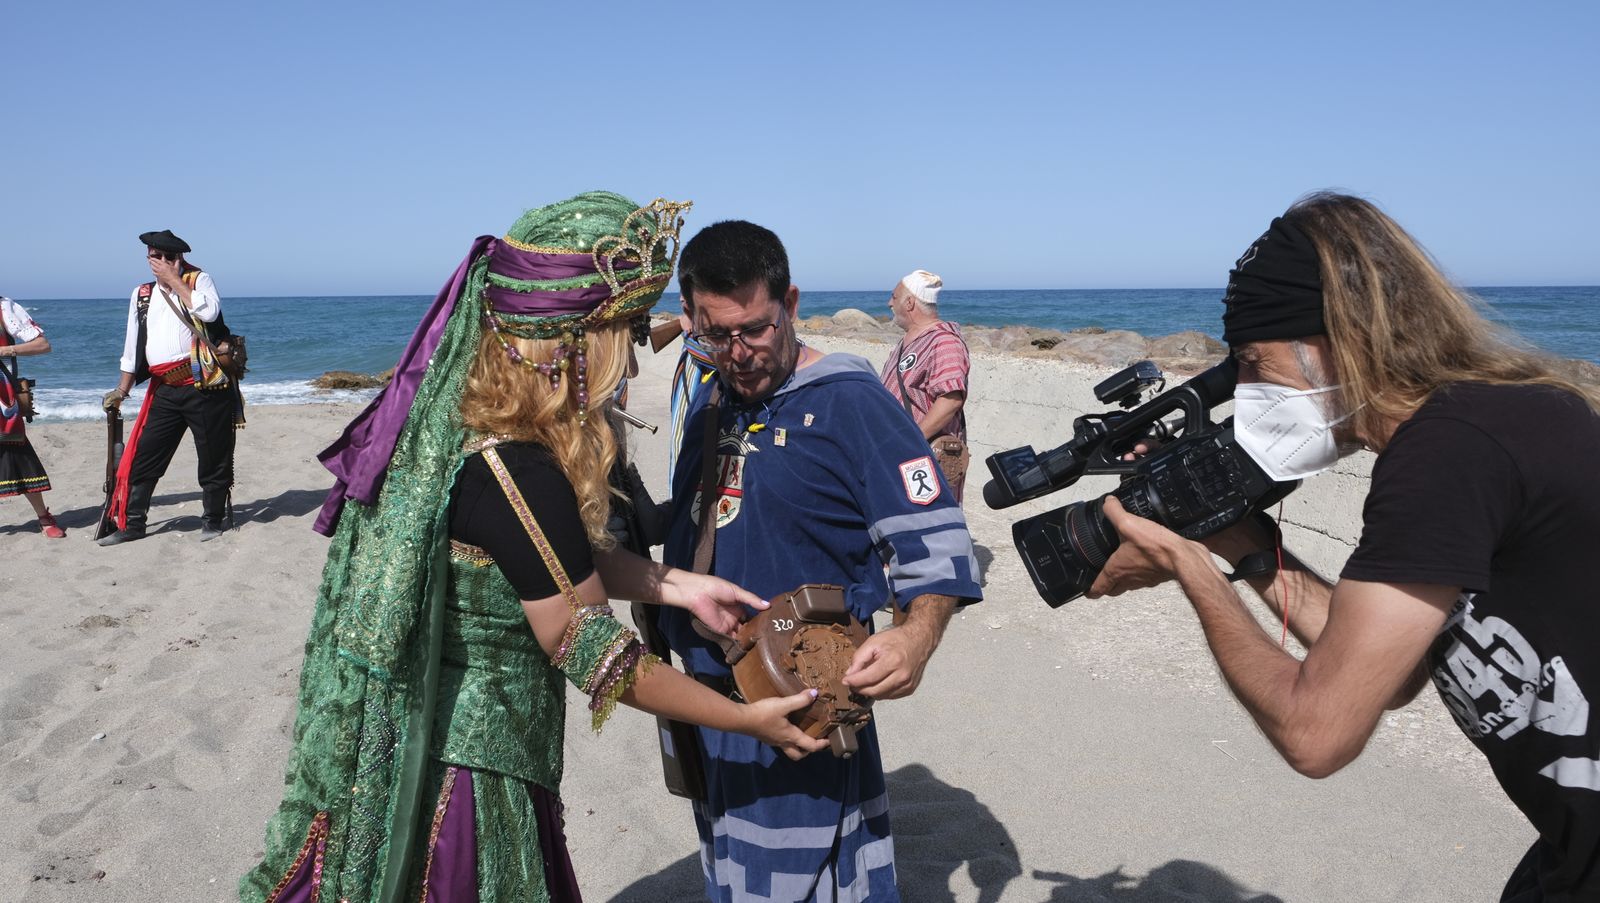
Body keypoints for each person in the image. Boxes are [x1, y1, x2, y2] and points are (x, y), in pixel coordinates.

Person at [240, 192, 827, 903]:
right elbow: (588, 646)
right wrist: (740, 716)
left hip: (438, 747)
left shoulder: (458, 434)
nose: (630, 369)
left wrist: (678, 585)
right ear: (571, 344)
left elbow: (548, 562)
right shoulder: (520, 472)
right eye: (621, 337)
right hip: (478, 776)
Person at [1087, 192, 1600, 901]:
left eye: (1254, 362)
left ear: (1337, 338)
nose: (1247, 388)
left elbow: (1316, 732)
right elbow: (1389, 670)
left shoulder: (1449, 451)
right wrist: (1241, 542)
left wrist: (1187, 566)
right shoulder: (1484, 419)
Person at [657, 221, 984, 901]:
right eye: (715, 335)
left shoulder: (851, 404)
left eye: (754, 329)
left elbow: (934, 534)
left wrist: (916, 635)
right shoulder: (711, 403)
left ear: (792, 304)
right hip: (714, 709)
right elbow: (695, 524)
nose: (738, 353)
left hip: (806, 704)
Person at [98, 229, 241, 545]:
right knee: (145, 457)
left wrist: (176, 281)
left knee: (213, 456)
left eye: (168, 257)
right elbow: (132, 345)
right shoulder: (142, 294)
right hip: (164, 389)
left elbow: (209, 312)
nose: (160, 262)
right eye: (155, 256)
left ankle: (212, 521)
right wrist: (122, 391)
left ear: (180, 259)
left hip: (204, 386)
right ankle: (133, 525)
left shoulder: (199, 281)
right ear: (148, 257)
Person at [878, 269, 971, 502]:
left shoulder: (944, 341)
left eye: (894, 296)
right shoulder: (908, 340)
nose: (890, 303)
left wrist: (911, 440)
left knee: (929, 523)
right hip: (900, 452)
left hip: (922, 455)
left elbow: (950, 399)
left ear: (909, 303)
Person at [0, 295, 65, 538]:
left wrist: (4, 350)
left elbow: (42, 345)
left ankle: (43, 516)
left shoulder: (4, 307)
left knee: (18, 453)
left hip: (1, 401)